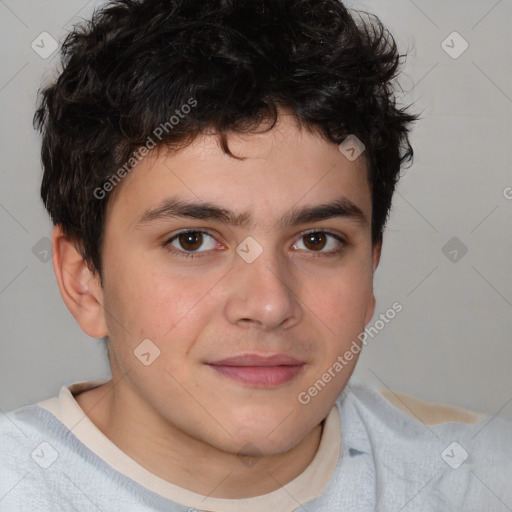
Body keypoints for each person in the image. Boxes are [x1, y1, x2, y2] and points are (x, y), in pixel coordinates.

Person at [1, 0, 510, 510]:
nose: (269, 305)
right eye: (193, 240)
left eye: (317, 240)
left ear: (370, 268)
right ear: (84, 279)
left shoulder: (478, 483)